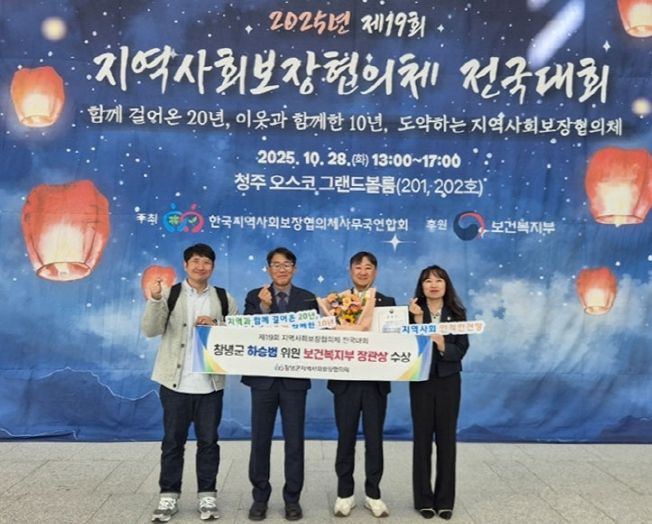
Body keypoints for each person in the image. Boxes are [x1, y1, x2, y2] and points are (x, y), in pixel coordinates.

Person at [142, 243, 238, 522]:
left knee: (209, 442)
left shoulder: (223, 298)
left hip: (210, 385)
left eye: (206, 262)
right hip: (175, 384)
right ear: (185, 265)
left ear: (213, 267)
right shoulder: (170, 294)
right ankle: (168, 495)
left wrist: (217, 325)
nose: (200, 266)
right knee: (173, 442)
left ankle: (207, 495)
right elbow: (150, 330)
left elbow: (236, 336)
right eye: (195, 261)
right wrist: (155, 300)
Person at [242, 247, 319, 522]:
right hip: (262, 380)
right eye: (276, 265)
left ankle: (292, 499)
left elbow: (317, 335)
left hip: (294, 380)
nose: (282, 269)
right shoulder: (255, 295)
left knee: (294, 441)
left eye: (287, 265)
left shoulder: (308, 298)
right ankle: (260, 497)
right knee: (260, 440)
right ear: (268, 269)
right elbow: (245, 331)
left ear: (294, 269)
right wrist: (263, 308)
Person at [327, 251, 395, 518]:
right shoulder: (336, 301)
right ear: (350, 271)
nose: (363, 272)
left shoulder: (388, 303)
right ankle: (345, 494)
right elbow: (326, 337)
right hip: (345, 382)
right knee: (345, 439)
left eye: (368, 267)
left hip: (375, 383)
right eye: (358, 267)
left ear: (375, 272)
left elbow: (395, 340)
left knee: (374, 440)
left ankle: (373, 494)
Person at [407, 265, 469, 520]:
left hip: (448, 382)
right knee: (422, 441)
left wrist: (443, 345)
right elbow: (406, 350)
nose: (433, 285)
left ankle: (444, 501)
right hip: (421, 381)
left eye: (438, 280)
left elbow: (461, 349)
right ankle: (423, 500)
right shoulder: (411, 312)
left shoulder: (458, 313)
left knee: (446, 441)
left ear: (446, 285)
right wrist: (418, 322)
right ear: (421, 286)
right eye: (428, 281)